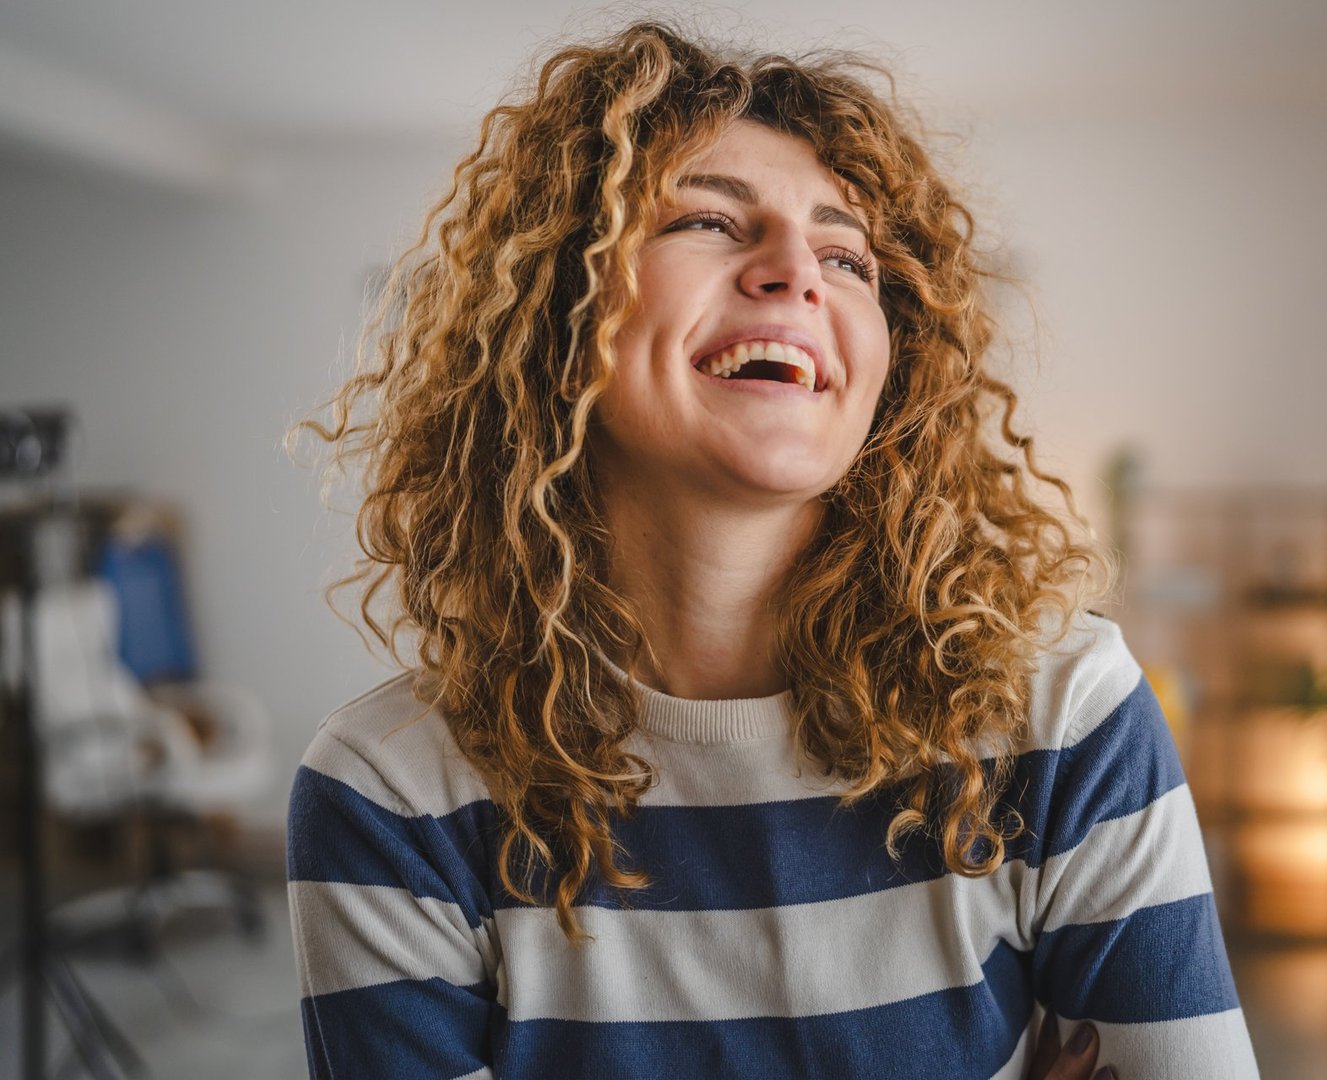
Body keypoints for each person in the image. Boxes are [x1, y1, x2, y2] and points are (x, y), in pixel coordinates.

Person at [286, 20, 1259, 1080]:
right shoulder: (391, 797)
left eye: (848, 255)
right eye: (707, 219)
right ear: (559, 309)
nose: (797, 271)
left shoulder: (1062, 718)